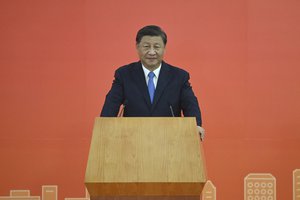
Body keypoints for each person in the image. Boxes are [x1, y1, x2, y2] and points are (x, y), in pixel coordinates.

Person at [100, 25, 205, 140]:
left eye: (156, 47)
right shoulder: (124, 74)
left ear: (164, 48)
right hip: (132, 139)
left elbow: (190, 104)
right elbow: (111, 104)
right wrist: (104, 127)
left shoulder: (179, 76)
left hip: (170, 140)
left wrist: (196, 125)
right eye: (146, 46)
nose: (151, 52)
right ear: (137, 47)